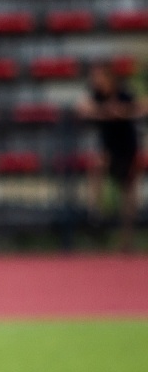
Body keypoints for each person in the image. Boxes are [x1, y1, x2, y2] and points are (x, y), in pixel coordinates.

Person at [79, 64, 141, 252]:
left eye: (99, 78)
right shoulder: (97, 96)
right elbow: (83, 108)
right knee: (97, 165)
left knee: (127, 193)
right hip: (108, 149)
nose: (96, 82)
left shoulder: (123, 94)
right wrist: (105, 112)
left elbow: (140, 107)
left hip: (128, 149)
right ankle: (95, 213)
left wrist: (123, 111)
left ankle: (126, 240)